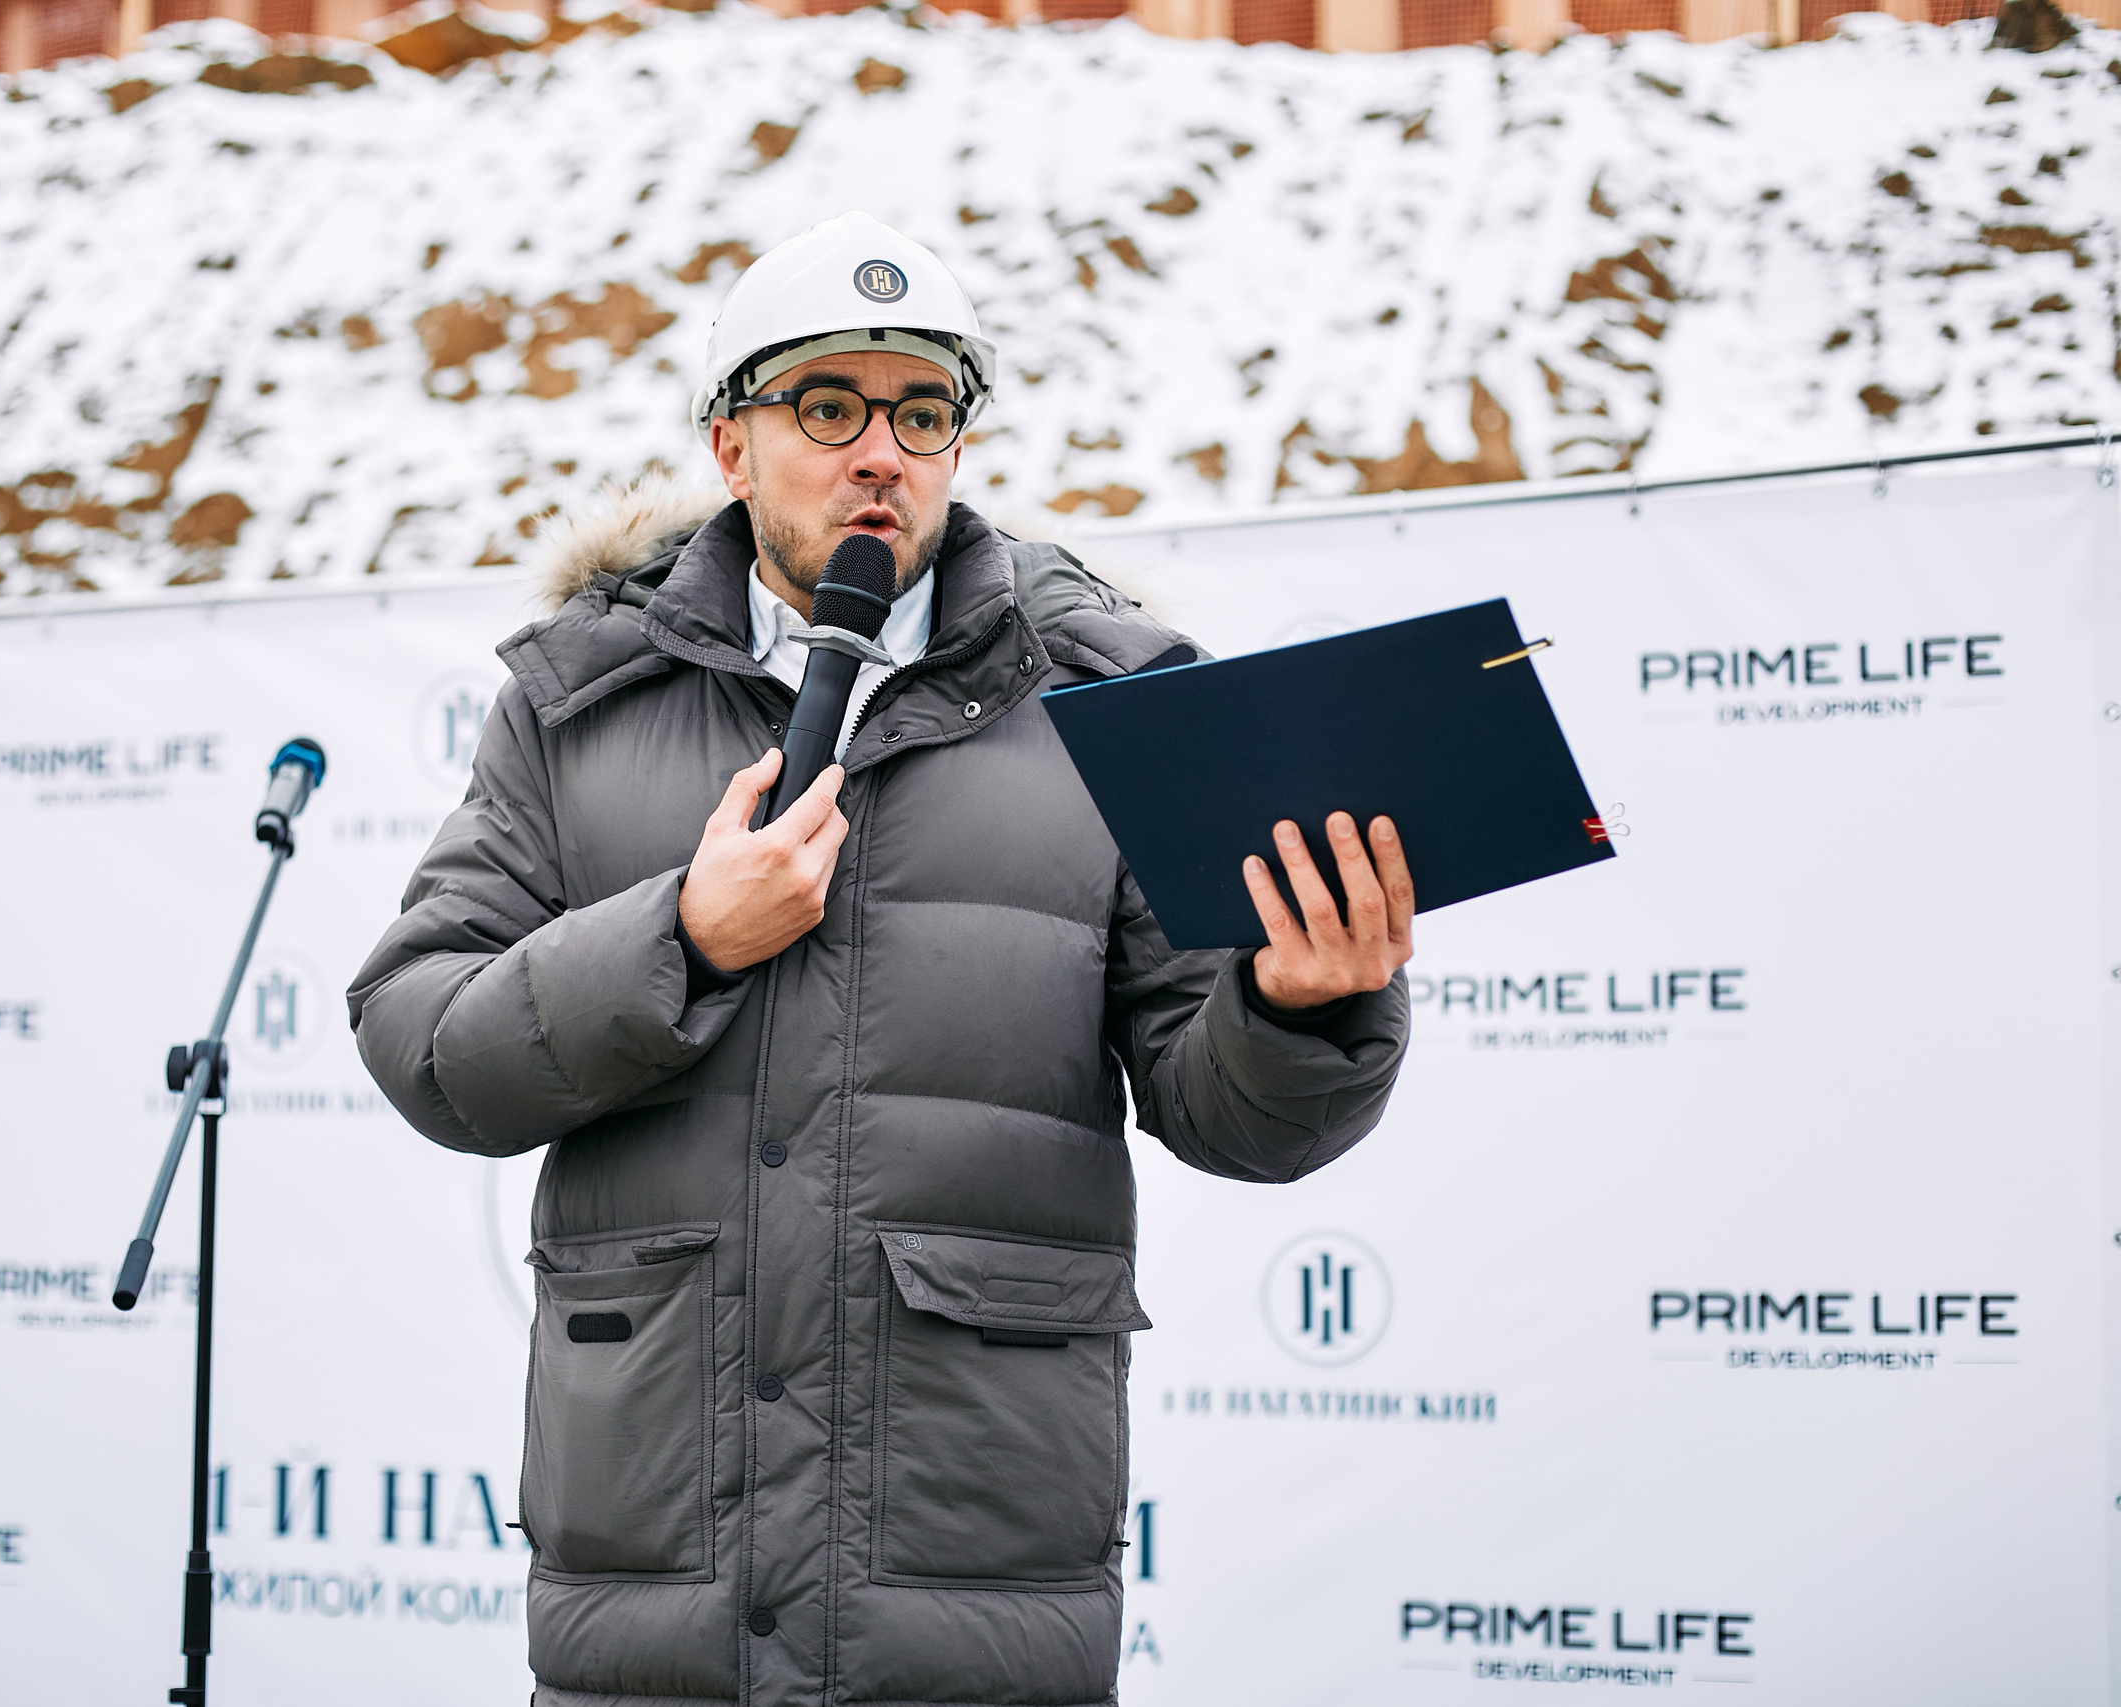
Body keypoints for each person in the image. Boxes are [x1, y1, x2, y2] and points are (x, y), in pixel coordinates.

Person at [346, 211, 1411, 1707]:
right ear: (731, 446)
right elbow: (424, 1040)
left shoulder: (1115, 705)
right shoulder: (575, 706)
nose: (880, 454)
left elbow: (1233, 1114)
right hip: (657, 1591)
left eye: (923, 413)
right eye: (829, 407)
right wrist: (684, 940)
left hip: (970, 1584)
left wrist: (1303, 1006)